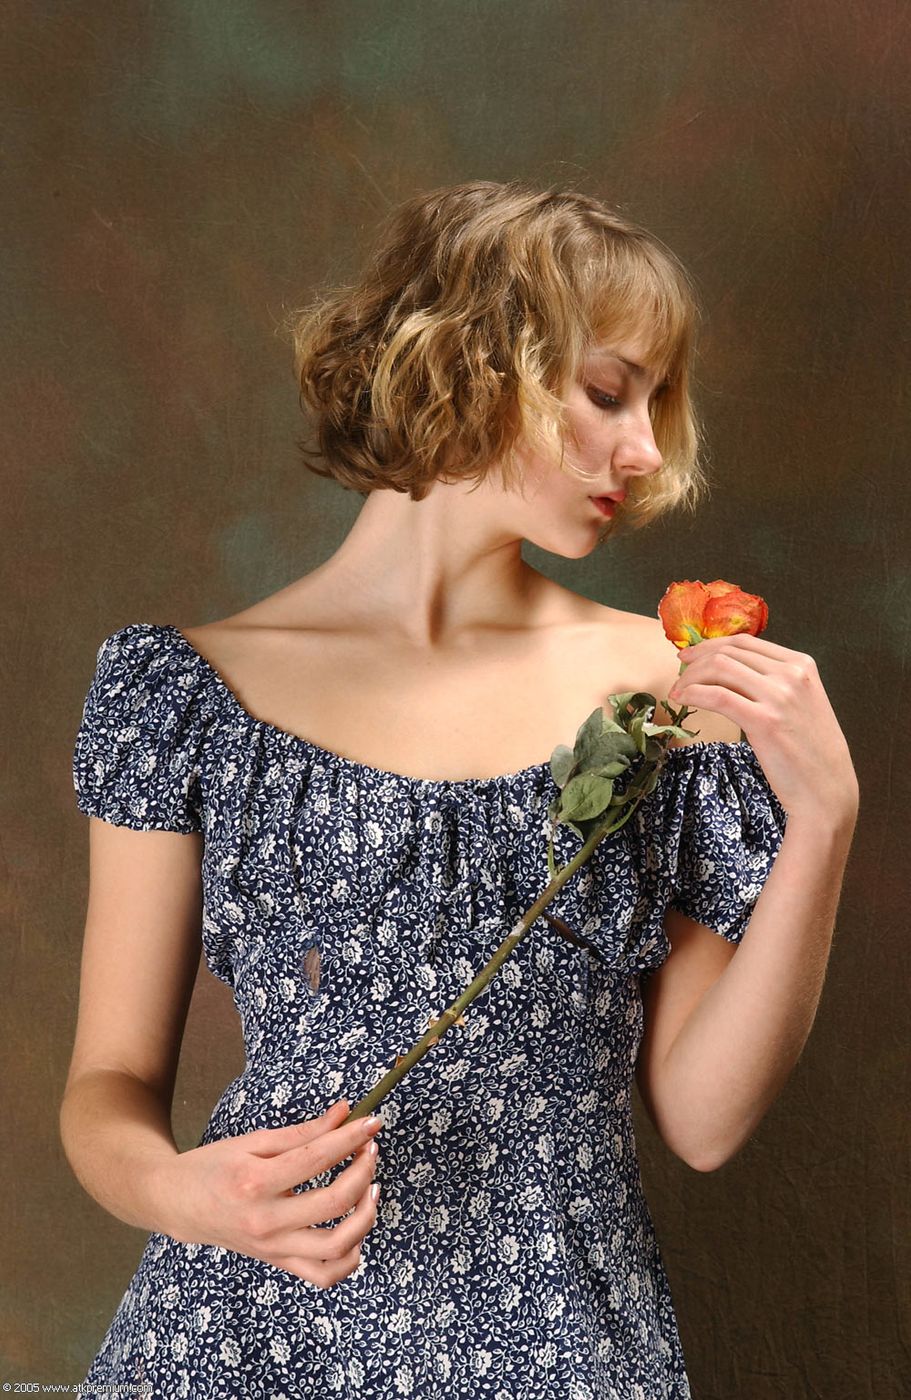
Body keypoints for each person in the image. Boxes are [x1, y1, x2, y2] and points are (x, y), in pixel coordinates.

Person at [62, 179, 858, 1399]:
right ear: (475, 363)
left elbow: (702, 1121)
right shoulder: (183, 694)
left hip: (557, 1346)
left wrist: (824, 823)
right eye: (609, 392)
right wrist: (182, 1191)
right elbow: (106, 1086)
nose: (645, 451)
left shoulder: (669, 694)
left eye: (654, 403)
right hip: (234, 1342)